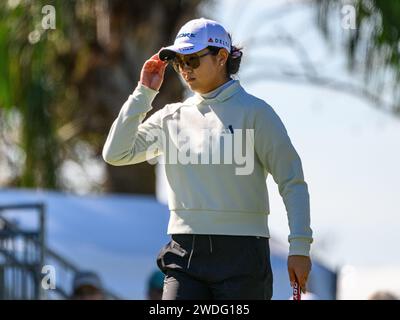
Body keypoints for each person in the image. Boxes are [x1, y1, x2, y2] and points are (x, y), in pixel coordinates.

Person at [102, 17, 313, 300]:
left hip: (244, 256)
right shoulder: (170, 117)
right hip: (184, 254)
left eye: (192, 60)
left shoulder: (257, 113)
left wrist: (299, 247)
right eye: (178, 62)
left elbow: (292, 181)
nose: (184, 70)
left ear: (222, 57)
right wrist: (144, 93)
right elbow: (115, 153)